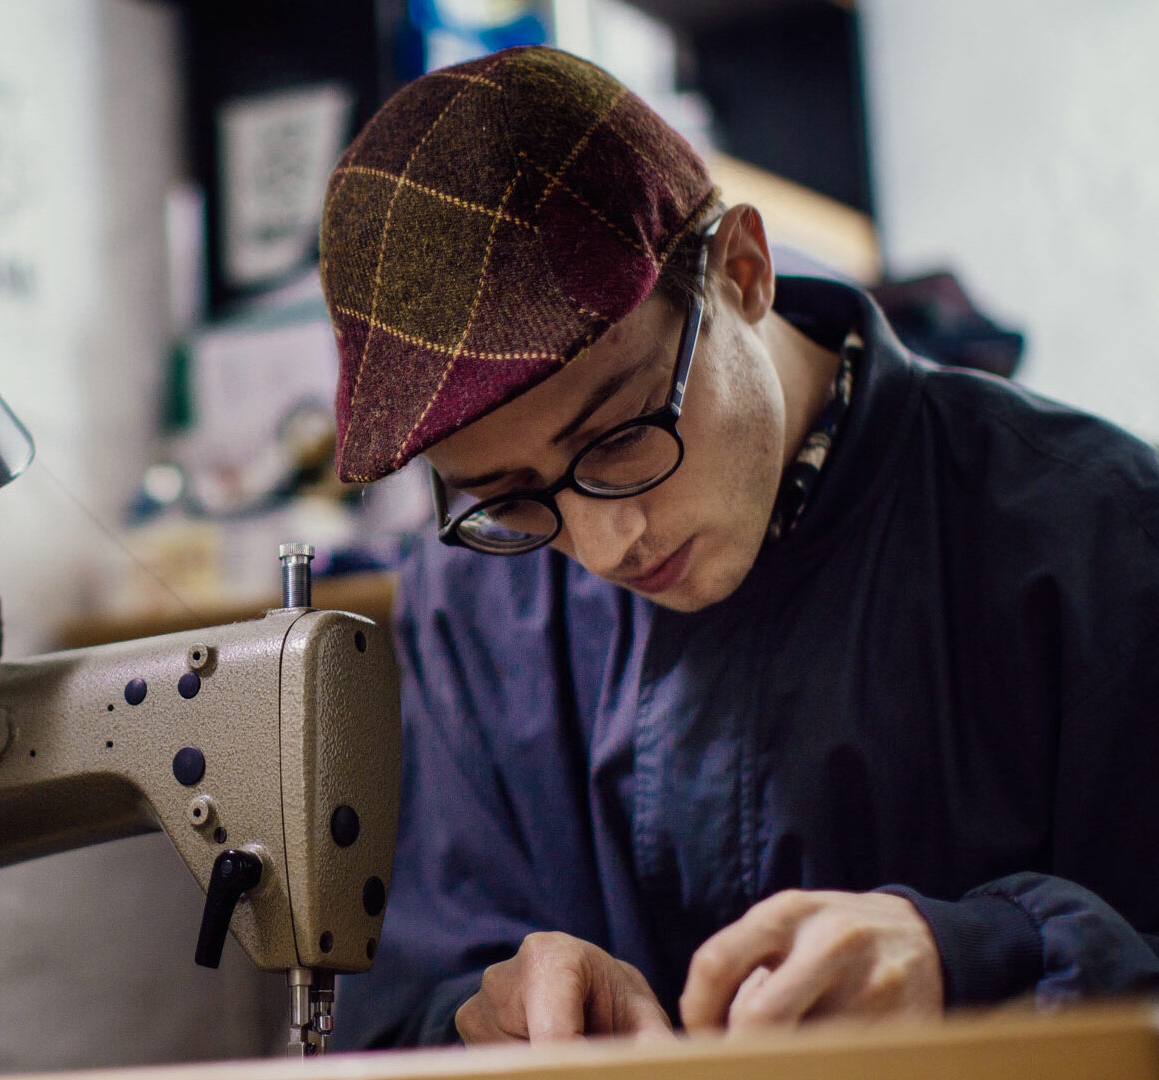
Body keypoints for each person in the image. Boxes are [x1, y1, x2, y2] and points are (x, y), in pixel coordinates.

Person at [319, 45, 1159, 1047]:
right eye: (510, 495)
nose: (601, 540)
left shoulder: (1099, 535)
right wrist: (478, 1016)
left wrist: (983, 958)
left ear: (743, 272)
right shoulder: (468, 607)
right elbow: (397, 1001)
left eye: (621, 437)